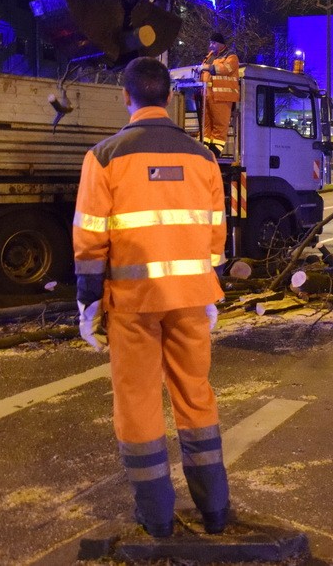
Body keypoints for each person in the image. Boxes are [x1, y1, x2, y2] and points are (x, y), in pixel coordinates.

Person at [73, 57, 231, 537]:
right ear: (167, 97)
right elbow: (215, 234)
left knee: (138, 401)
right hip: (190, 299)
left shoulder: (103, 157)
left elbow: (89, 238)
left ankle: (157, 516)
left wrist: (88, 300)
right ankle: (216, 511)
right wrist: (211, 293)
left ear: (127, 97)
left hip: (132, 303)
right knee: (196, 397)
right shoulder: (203, 158)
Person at [199, 31, 240, 157]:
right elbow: (202, 73)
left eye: (214, 42)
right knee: (206, 124)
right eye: (211, 42)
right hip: (207, 95)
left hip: (222, 97)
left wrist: (208, 68)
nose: (211, 45)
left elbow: (225, 69)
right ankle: (204, 148)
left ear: (221, 44)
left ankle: (215, 151)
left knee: (219, 125)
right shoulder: (210, 56)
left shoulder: (231, 56)